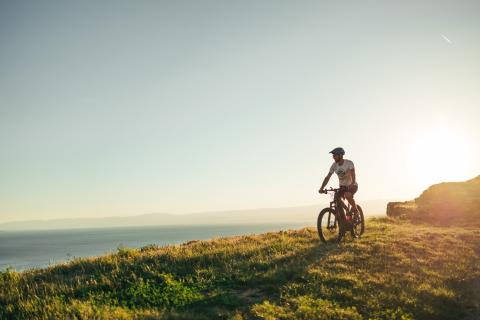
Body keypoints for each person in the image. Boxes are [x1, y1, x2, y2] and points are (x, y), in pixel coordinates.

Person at [318, 147, 359, 220]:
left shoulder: (349, 163)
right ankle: (347, 210)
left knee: (347, 195)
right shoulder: (334, 165)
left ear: (340, 155)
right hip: (342, 186)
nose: (333, 157)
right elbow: (327, 177)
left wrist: (352, 183)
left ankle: (356, 211)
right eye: (333, 155)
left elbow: (353, 174)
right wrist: (321, 188)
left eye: (335, 155)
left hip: (352, 185)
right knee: (336, 198)